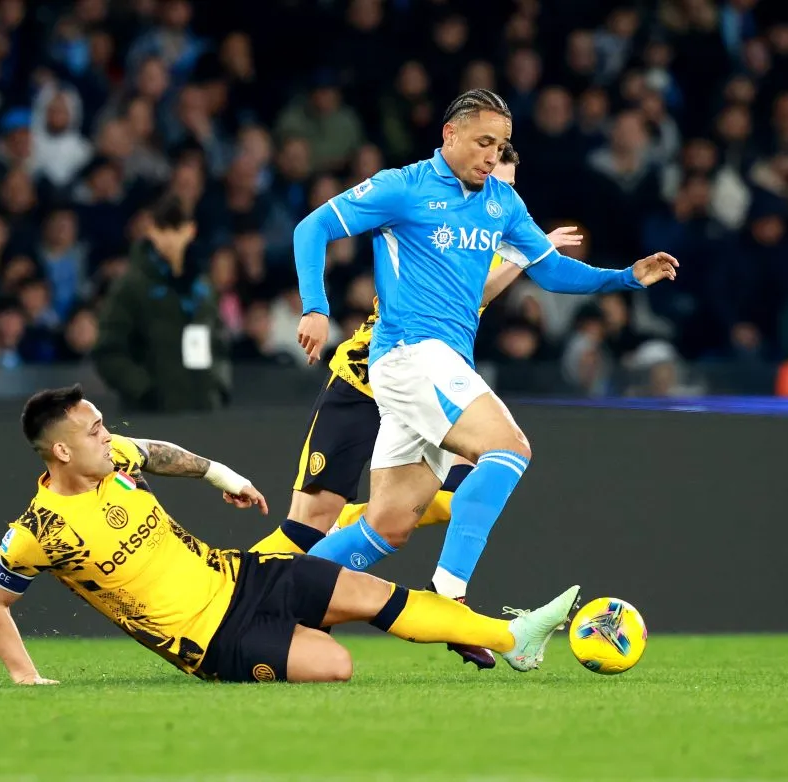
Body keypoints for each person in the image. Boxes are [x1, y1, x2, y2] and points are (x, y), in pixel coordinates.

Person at [292, 89, 676, 658]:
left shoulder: (501, 203)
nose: (491, 156)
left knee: (388, 526)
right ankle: (450, 598)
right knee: (508, 448)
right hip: (409, 354)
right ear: (449, 135)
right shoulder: (403, 186)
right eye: (482, 142)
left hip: (438, 365)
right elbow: (312, 228)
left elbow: (550, 272)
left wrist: (623, 278)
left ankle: (276, 596)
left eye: (499, 145)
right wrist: (315, 307)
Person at [0, 385, 580, 685]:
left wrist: (221, 475)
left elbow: (159, 453)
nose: (108, 436)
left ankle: (512, 638)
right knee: (337, 666)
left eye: (104, 426)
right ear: (60, 450)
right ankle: (424, 538)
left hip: (240, 575)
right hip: (211, 641)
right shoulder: (38, 531)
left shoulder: (114, 462)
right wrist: (26, 677)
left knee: (373, 593)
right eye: (94, 431)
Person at [248, 144, 584, 670]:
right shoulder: (432, 218)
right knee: (310, 522)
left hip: (416, 390)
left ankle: (439, 607)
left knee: (411, 512)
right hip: (363, 386)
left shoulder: (483, 231)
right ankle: (243, 596)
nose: (500, 192)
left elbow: (477, 296)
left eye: (511, 187)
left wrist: (523, 254)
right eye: (496, 176)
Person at [93, 194, 230, 413]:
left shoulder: (202, 287)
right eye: (163, 229)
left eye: (177, 228)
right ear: (152, 231)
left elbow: (219, 343)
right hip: (151, 417)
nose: (171, 238)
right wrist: (145, 390)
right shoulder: (131, 287)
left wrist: (218, 387)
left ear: (190, 230)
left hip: (204, 412)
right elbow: (108, 352)